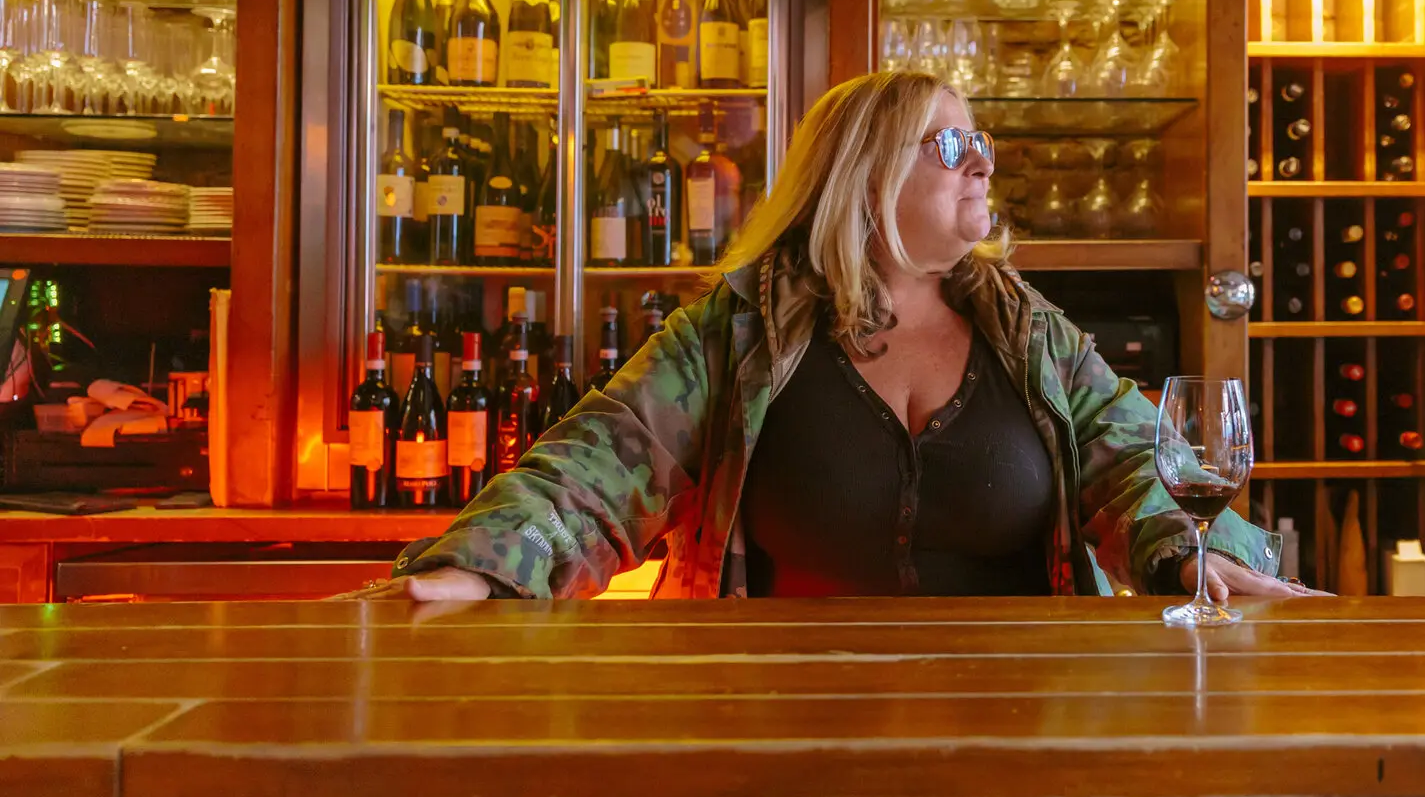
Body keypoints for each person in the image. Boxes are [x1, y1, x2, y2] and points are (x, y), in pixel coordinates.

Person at [361, 71, 1304, 604]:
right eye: (949, 145)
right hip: (781, 720)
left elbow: (1139, 464)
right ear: (864, 174)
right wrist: (484, 565)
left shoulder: (1031, 333)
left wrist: (1197, 553)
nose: (981, 162)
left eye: (981, 143)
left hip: (1020, 716)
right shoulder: (743, 330)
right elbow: (603, 460)